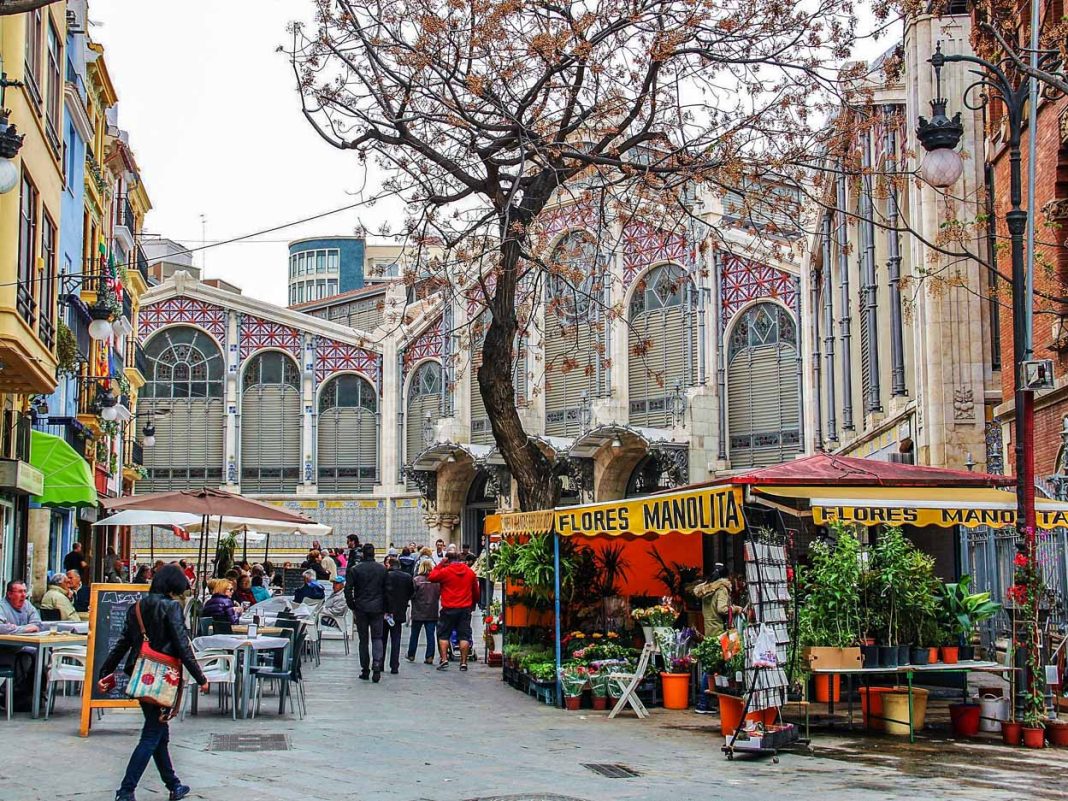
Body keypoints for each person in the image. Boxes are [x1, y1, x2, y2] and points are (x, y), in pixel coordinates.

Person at [98, 564, 207, 801]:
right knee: (151, 735)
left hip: (140, 674)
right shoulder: (171, 607)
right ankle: (126, 791)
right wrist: (201, 678)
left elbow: (123, 643)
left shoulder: (136, 607)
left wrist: (105, 671)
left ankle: (174, 785)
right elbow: (182, 646)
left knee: (159, 733)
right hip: (163, 678)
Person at [429, 545, 480, 671]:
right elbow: (476, 591)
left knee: (443, 634)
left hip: (448, 607)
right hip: (465, 608)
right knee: (464, 635)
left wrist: (441, 564)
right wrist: (473, 604)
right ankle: (463, 662)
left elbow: (432, 577)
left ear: (448, 560)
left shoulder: (445, 571)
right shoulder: (469, 572)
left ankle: (444, 659)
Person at [0, 580, 45, 712]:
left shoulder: (27, 605)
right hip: (5, 650)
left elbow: (38, 624)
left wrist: (14, 628)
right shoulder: (2, 607)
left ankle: (32, 695)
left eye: (25, 591)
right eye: (19, 592)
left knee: (42, 654)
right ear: (9, 594)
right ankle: (10, 693)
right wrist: (24, 629)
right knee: (29, 656)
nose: (23, 595)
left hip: (23, 647)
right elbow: (1, 628)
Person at [345, 542, 387, 682]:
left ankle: (365, 669)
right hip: (378, 608)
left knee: (363, 640)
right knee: (377, 637)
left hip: (361, 607)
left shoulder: (355, 569)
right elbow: (387, 589)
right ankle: (377, 664)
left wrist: (352, 605)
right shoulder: (382, 569)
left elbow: (348, 589)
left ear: (363, 553)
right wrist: (386, 606)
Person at [692, 563, 742, 640]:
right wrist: (736, 609)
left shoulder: (705, 590)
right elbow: (722, 609)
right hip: (720, 630)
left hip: (709, 629)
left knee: (711, 645)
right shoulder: (721, 589)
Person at [383, 556, 414, 675]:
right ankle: (394, 665)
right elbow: (411, 592)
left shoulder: (385, 576)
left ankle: (380, 663)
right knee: (396, 639)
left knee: (382, 639)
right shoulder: (407, 577)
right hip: (399, 611)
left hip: (385, 611)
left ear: (390, 565)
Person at [407, 559, 440, 664]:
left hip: (418, 611)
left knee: (414, 634)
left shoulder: (416, 580)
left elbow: (411, 594)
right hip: (432, 611)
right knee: (430, 635)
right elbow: (438, 594)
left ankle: (411, 654)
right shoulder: (436, 581)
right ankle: (429, 656)